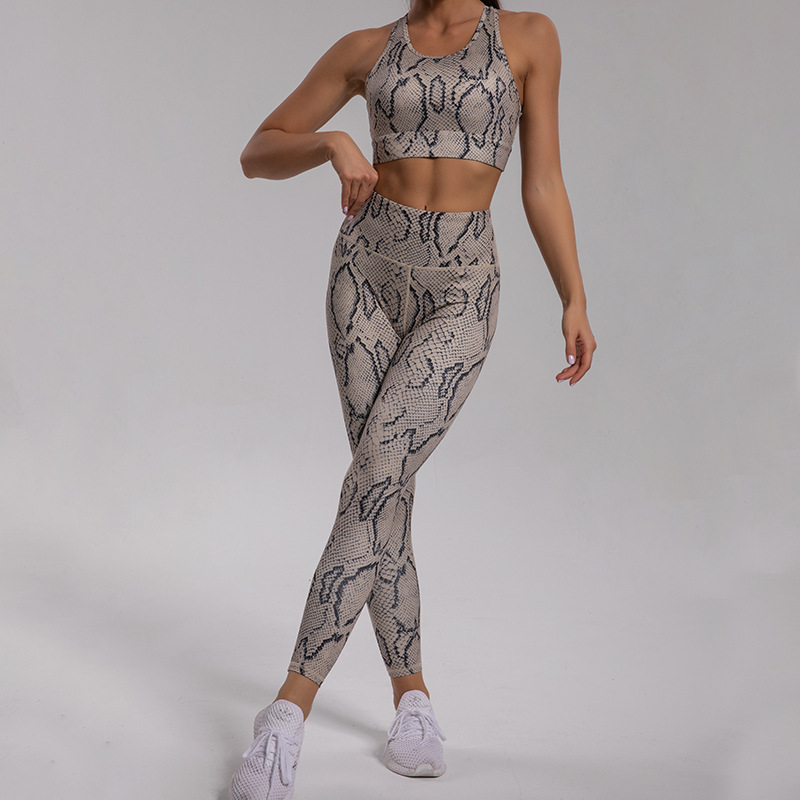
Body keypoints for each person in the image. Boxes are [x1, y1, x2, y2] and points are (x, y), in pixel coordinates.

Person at [231, 0, 596, 797]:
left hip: (461, 290)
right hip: (363, 276)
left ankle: (286, 711)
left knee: (375, 480)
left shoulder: (528, 37)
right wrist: (331, 142)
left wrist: (572, 293)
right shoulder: (366, 47)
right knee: (383, 488)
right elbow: (258, 152)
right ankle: (414, 701)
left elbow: (542, 177)